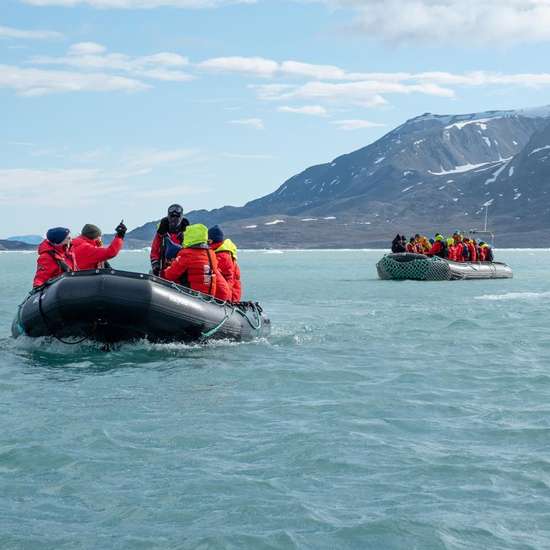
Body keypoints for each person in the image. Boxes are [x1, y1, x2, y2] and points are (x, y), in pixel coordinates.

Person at [162, 223, 221, 297]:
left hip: (193, 296)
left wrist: (168, 267)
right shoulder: (211, 253)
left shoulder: (187, 253)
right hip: (209, 297)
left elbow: (170, 275)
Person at [150, 204, 189, 276]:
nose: (174, 219)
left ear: (181, 217)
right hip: (164, 271)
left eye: (177, 217)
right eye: (172, 216)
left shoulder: (188, 233)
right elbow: (154, 250)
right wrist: (155, 264)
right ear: (168, 217)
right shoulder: (161, 233)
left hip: (182, 271)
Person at [209, 225, 242, 302]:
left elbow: (210, 270)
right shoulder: (224, 253)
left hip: (228, 296)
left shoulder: (222, 256)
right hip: (231, 294)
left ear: (211, 240)